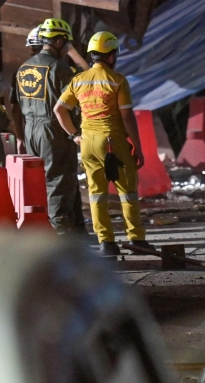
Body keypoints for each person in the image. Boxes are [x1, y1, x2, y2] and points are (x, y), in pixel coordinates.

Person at [53, 31, 148, 256]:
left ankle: (106, 242)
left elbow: (59, 110)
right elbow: (127, 117)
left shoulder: (78, 80)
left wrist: (74, 135)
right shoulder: (118, 81)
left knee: (96, 194)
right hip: (113, 142)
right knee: (128, 192)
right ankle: (136, 239)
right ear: (112, 56)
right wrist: (138, 147)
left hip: (87, 143)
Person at [11, 19, 85, 235]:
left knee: (41, 183)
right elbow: (78, 95)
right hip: (53, 131)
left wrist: (20, 137)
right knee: (58, 181)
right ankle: (60, 237)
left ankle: (69, 233)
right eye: (67, 43)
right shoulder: (60, 68)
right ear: (60, 41)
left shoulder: (23, 68)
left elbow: (14, 107)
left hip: (30, 129)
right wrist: (75, 133)